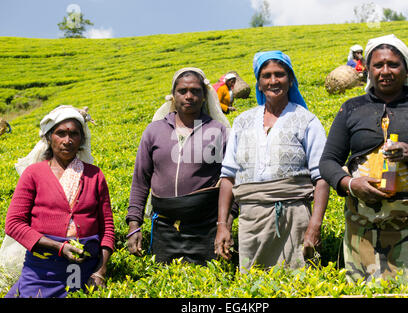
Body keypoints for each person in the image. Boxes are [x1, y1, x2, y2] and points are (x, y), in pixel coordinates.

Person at [319, 34, 408, 282]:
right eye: (378, 65)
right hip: (363, 225)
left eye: (393, 64)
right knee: (363, 290)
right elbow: (327, 162)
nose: (385, 71)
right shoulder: (351, 108)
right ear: (368, 69)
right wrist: (349, 184)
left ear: (406, 68)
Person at [215, 51, 330, 272]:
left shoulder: (307, 121)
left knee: (299, 286)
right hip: (251, 219)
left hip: (295, 219)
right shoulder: (242, 121)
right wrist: (223, 226)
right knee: (253, 288)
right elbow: (228, 177)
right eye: (266, 75)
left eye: (280, 74)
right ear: (258, 83)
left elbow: (321, 178)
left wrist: (314, 227)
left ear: (290, 80)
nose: (273, 81)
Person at [126, 67, 235, 266]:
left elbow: (233, 181)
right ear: (173, 96)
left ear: (204, 96)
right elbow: (140, 181)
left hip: (206, 229)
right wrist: (134, 225)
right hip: (164, 229)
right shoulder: (154, 131)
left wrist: (225, 225)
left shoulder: (218, 131)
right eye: (182, 91)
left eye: (195, 91)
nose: (189, 96)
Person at [4, 105, 115, 298]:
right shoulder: (33, 174)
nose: (67, 140)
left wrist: (100, 271)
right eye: (60, 133)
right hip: (43, 268)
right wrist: (58, 247)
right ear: (49, 137)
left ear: (82, 139)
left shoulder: (95, 175)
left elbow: (107, 229)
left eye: (74, 134)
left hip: (84, 268)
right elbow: (13, 224)